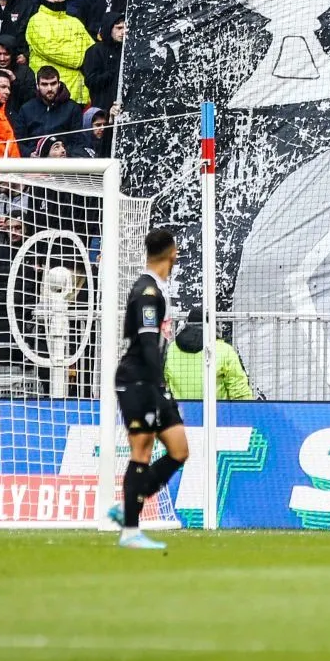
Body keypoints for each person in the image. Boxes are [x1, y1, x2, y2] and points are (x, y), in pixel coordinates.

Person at [109, 227, 191, 550]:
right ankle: (130, 529)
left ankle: (128, 504)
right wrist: (158, 386)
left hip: (152, 381)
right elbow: (146, 343)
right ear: (173, 252)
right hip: (137, 380)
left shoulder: (157, 288)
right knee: (141, 451)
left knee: (179, 449)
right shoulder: (147, 292)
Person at [163, 306, 255, 401]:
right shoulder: (224, 350)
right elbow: (240, 393)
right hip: (217, 413)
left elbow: (164, 384)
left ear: (186, 325)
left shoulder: (171, 350)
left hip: (181, 412)